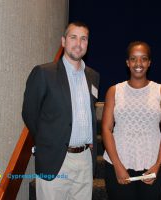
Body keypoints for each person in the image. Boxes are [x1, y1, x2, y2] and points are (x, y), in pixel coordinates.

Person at [22, 21, 100, 200]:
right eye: (73, 37)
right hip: (55, 158)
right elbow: (29, 113)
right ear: (63, 41)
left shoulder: (93, 76)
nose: (78, 43)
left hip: (84, 161)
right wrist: (49, 140)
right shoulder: (44, 73)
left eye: (84, 39)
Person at [101, 41, 161, 200]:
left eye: (143, 58)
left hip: (153, 165)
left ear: (149, 62)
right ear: (127, 63)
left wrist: (157, 165)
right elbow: (106, 129)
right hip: (118, 163)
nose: (138, 63)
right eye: (133, 59)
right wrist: (118, 166)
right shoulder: (114, 91)